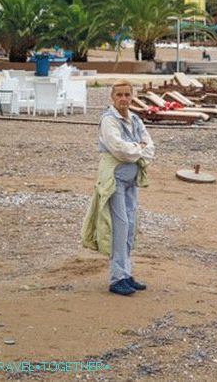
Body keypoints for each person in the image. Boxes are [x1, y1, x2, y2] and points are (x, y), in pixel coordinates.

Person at [81, 80, 155, 296]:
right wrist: (137, 148)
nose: (123, 98)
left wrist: (138, 149)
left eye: (127, 95)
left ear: (132, 97)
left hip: (130, 181)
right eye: (119, 95)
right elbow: (119, 150)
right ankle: (116, 278)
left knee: (130, 226)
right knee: (119, 226)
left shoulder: (135, 119)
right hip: (114, 181)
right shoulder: (108, 121)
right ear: (112, 98)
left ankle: (126, 273)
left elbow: (150, 146)